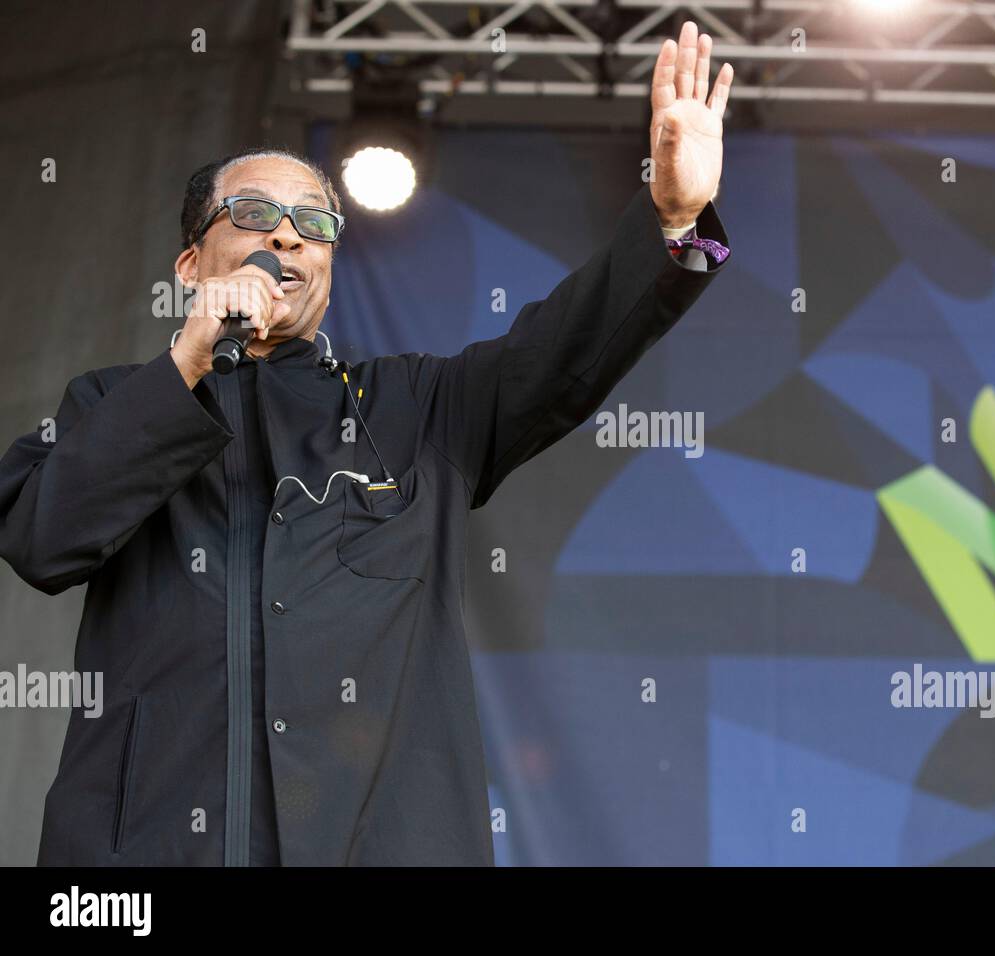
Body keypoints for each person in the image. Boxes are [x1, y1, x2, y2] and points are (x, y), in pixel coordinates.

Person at [0, 22, 733, 865]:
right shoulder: (111, 402)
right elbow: (41, 538)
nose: (286, 236)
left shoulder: (419, 409)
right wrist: (189, 359)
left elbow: (571, 347)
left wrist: (676, 222)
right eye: (254, 214)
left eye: (313, 221)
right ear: (191, 265)